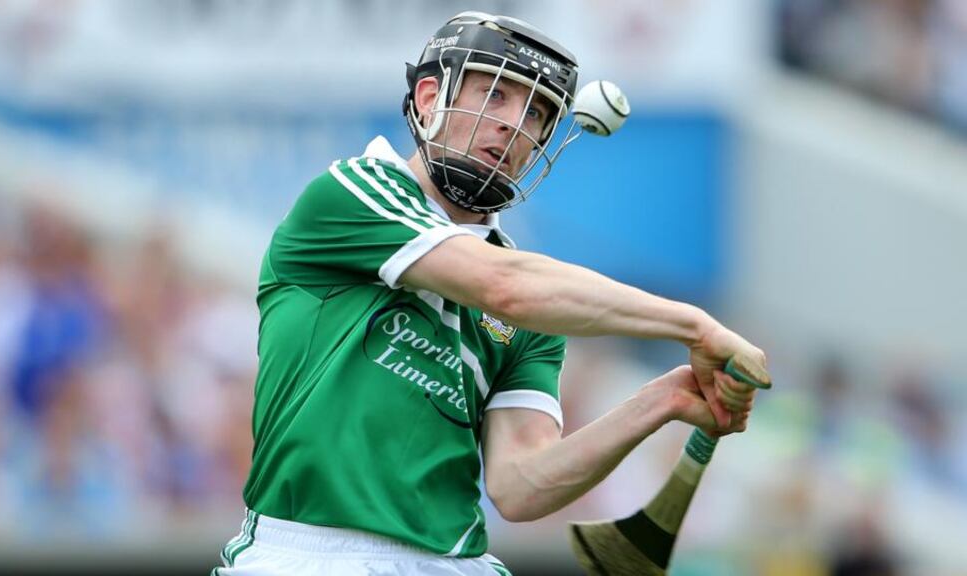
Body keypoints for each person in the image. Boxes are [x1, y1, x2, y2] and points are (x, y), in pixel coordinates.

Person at [213, 11, 769, 576]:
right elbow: (503, 288)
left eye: (536, 112)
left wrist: (662, 401)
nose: (513, 124)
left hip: (454, 562)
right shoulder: (354, 194)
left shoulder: (539, 304)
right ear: (429, 97)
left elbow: (520, 485)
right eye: (495, 95)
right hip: (309, 557)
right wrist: (695, 326)